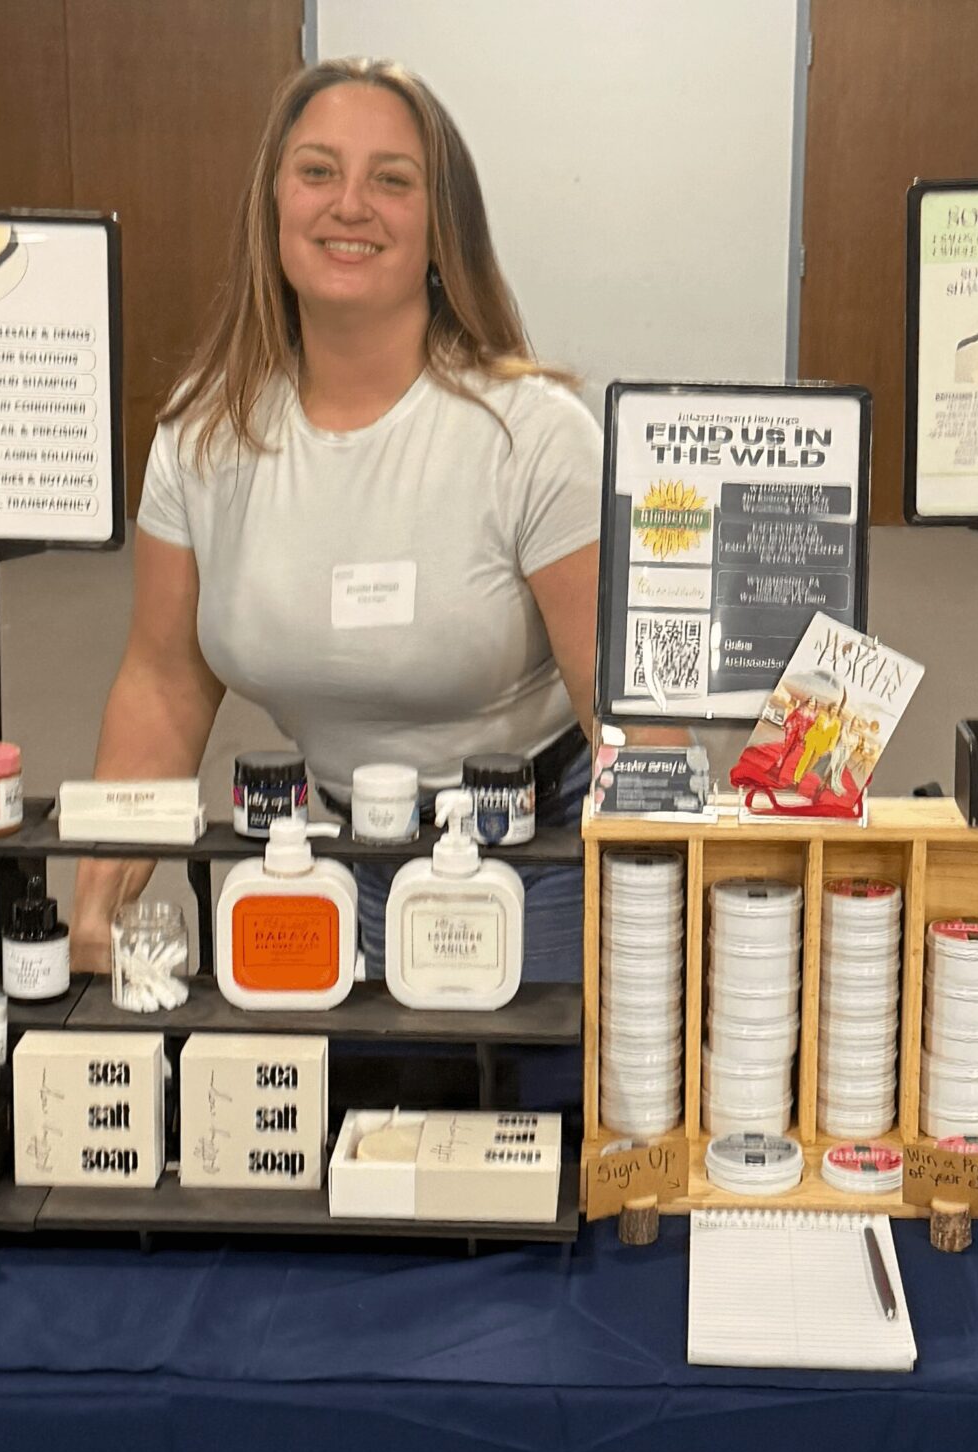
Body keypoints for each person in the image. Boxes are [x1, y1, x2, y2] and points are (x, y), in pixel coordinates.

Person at [72, 58, 611, 980]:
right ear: (274, 206)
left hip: (537, 851)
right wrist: (98, 899)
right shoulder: (203, 433)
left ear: (442, 226)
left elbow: (624, 713)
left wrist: (666, 909)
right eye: (318, 171)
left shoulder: (535, 436)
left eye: (392, 180)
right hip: (323, 848)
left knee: (533, 1077)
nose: (350, 205)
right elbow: (164, 683)